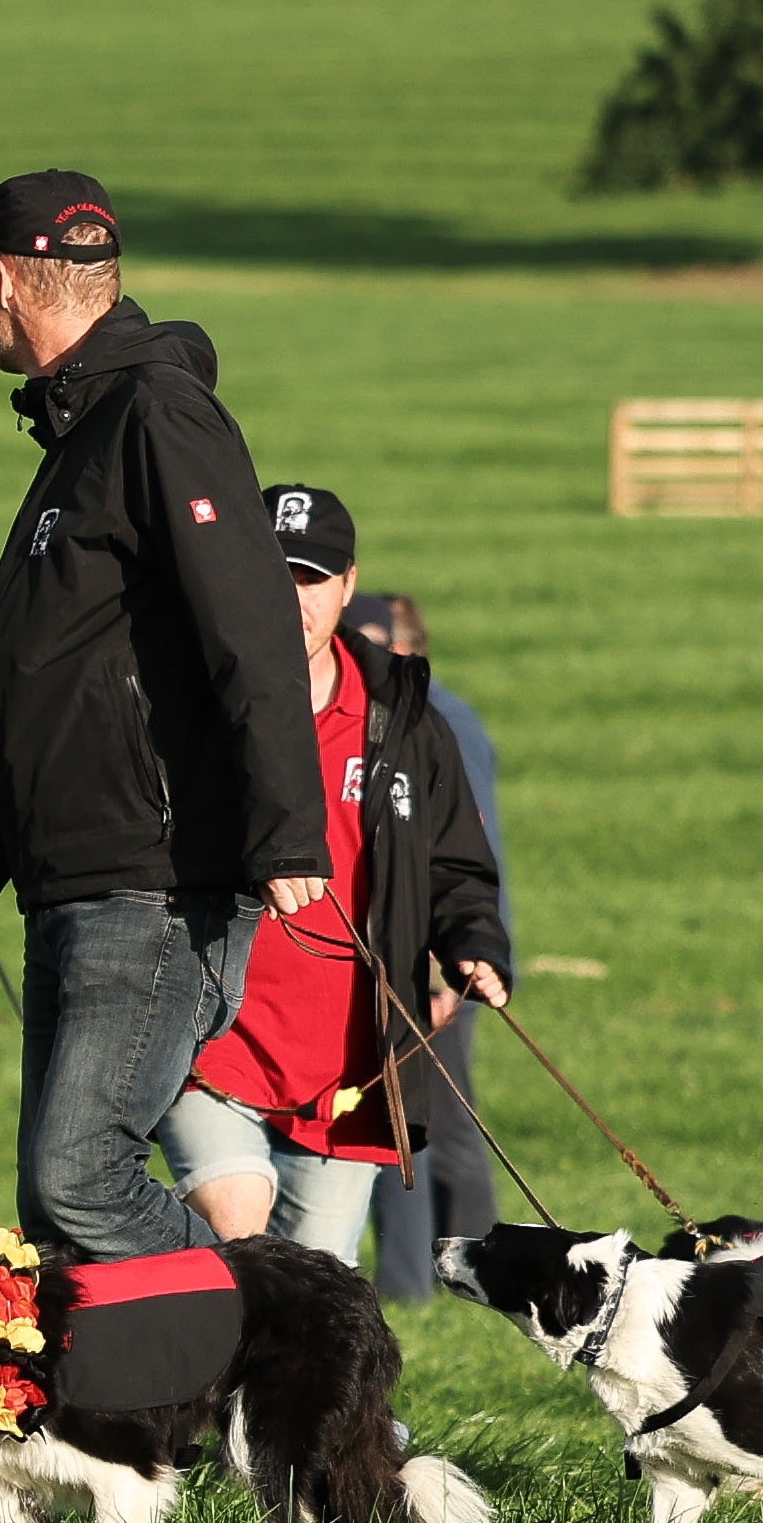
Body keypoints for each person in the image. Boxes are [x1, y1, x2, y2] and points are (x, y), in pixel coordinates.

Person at [0, 172, 325, 1260]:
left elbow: (254, 623)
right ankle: (142, 1431)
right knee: (58, 1207)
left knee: (81, 1182)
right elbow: (42, 700)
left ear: (0, 281)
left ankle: (286, 1352)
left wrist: (284, 827)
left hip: (155, 879)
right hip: (78, 878)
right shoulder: (79, 442)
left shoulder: (155, 415)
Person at [156, 489, 512, 1255]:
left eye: (309, 579)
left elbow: (456, 861)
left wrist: (471, 946)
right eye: (269, 574)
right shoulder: (182, 706)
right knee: (240, 1234)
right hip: (208, 1041)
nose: (290, 601)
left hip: (348, 1063)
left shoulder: (403, 718)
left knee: (315, 1292)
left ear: (347, 586)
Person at [353, 589, 508, 1295]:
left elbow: (458, 853)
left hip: (437, 957)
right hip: (430, 954)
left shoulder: (435, 724)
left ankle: (420, 1288)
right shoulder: (425, 715)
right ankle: (453, 1283)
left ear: (407, 649)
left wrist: (443, 969)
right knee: (437, 1129)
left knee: (418, 1130)